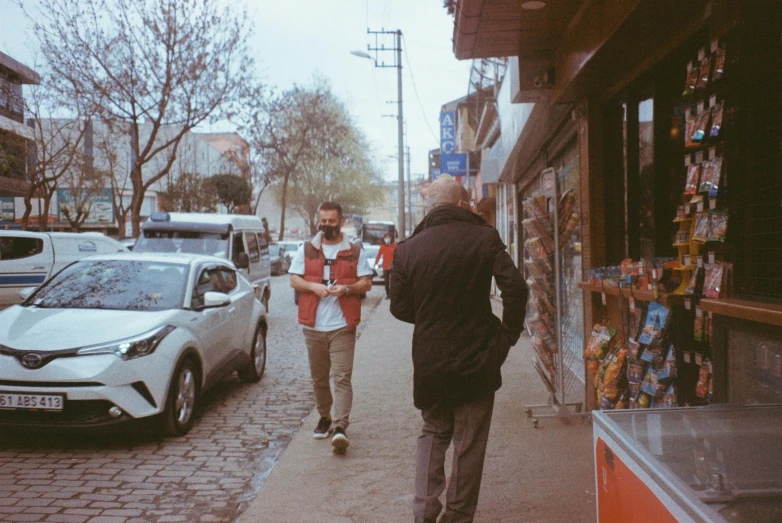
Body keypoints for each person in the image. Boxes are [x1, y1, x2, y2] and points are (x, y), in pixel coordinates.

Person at [390, 178, 528, 523]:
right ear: (463, 204)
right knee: (469, 442)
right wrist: (506, 336)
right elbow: (516, 288)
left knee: (433, 433)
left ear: (431, 208)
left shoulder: (408, 249)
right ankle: (458, 516)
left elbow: (398, 307)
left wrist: (429, 318)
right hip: (477, 358)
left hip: (430, 361)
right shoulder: (483, 237)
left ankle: (423, 510)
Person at [289, 201, 374, 453]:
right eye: (323, 220)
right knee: (319, 378)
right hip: (314, 326)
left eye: (331, 221)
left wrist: (347, 289)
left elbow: (367, 283)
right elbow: (294, 279)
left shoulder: (354, 250)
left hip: (342, 325)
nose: (326, 225)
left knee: (342, 377)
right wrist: (313, 286)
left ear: (341, 221)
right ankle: (325, 416)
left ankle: (340, 426)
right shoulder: (306, 249)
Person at [374, 232, 397, 299]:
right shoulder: (382, 247)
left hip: (393, 267)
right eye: (386, 238)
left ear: (391, 238)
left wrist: (394, 263)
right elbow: (378, 255)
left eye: (388, 237)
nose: (387, 239)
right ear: (384, 239)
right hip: (385, 266)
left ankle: (393, 294)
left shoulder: (394, 246)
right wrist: (375, 263)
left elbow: (397, 255)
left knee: (393, 281)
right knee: (386, 282)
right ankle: (388, 294)